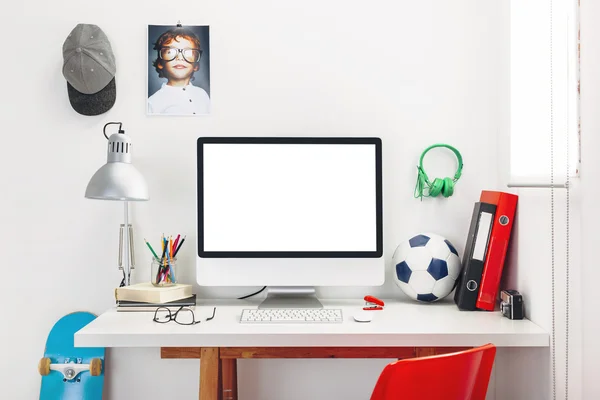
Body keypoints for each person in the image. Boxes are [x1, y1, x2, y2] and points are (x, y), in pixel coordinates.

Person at [148, 26, 210, 115]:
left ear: (195, 66)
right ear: (160, 63)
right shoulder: (153, 102)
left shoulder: (203, 94)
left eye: (188, 52)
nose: (179, 57)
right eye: (170, 52)